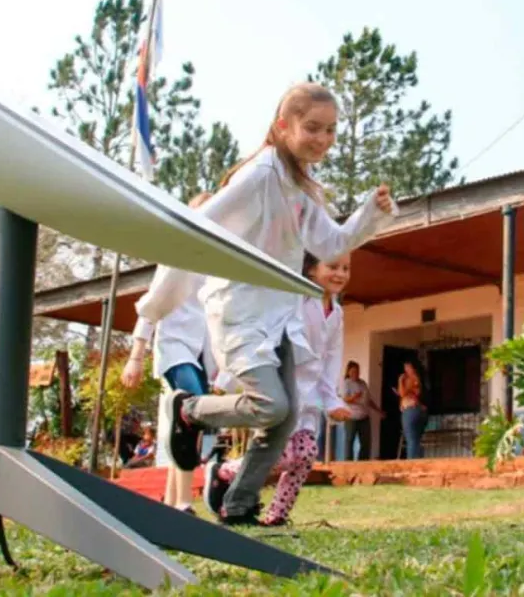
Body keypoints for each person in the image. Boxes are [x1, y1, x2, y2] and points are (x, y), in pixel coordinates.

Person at [161, 82, 398, 526]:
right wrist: (157, 304)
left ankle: (238, 504)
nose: (323, 140)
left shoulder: (301, 186)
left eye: (330, 131)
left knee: (284, 419)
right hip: (243, 311)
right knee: (271, 406)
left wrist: (370, 211)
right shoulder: (260, 175)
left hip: (281, 316)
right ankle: (189, 410)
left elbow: (332, 241)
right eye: (312, 128)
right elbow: (199, 224)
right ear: (282, 126)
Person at [209, 253, 354, 525]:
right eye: (333, 266)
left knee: (306, 455)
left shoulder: (336, 312)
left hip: (309, 395)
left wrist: (331, 399)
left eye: (346, 268)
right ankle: (225, 471)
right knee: (283, 456)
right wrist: (227, 379)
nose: (341, 274)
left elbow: (332, 357)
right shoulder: (295, 299)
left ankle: (277, 516)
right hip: (283, 385)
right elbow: (266, 332)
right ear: (311, 269)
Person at [121, 192, 218, 514]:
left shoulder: (220, 262)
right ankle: (185, 502)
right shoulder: (175, 255)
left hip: (204, 355)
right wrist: (136, 357)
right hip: (175, 348)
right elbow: (150, 308)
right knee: (188, 409)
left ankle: (175, 499)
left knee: (185, 424)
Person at [343, 360, 383, 461]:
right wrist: (354, 397)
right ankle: (348, 463)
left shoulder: (362, 383)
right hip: (351, 417)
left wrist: (378, 410)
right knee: (349, 441)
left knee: (366, 442)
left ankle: (363, 462)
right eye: (353, 371)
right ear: (348, 372)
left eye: (357, 371)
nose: (355, 374)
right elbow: (345, 399)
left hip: (364, 416)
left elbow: (368, 400)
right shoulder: (346, 383)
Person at [397, 360, 428, 459]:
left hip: (411, 410)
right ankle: (418, 459)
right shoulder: (418, 379)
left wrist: (400, 381)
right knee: (416, 438)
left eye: (408, 367)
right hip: (419, 410)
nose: (406, 370)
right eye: (405, 368)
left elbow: (402, 393)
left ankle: (411, 462)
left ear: (414, 368)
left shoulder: (412, 379)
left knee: (411, 439)